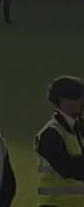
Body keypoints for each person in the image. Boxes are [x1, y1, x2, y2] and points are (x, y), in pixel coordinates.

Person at [35, 76, 84, 206]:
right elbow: (67, 168)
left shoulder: (79, 129)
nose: (82, 100)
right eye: (78, 97)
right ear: (63, 100)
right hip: (54, 204)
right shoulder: (50, 133)